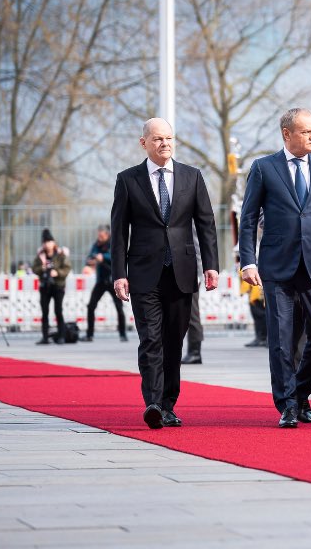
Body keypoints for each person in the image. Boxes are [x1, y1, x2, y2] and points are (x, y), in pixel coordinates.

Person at [239, 108, 311, 428]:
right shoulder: (264, 168)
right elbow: (248, 218)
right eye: (306, 132)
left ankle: (302, 393)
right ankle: (287, 404)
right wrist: (248, 261)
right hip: (276, 266)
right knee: (280, 338)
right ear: (287, 135)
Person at [111, 118, 220, 429]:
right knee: (150, 340)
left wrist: (211, 265)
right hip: (144, 274)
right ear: (143, 142)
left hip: (182, 273)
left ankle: (169, 403)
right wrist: (119, 273)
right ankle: (154, 403)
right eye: (158, 139)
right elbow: (119, 232)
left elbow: (206, 224)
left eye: (169, 138)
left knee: (174, 341)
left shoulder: (192, 176)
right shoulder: (128, 180)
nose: (165, 144)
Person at [84, 226, 126, 342]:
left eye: (101, 236)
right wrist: (92, 260)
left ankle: (123, 334)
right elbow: (89, 257)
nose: (99, 238)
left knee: (119, 308)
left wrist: (103, 257)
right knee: (91, 306)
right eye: (99, 236)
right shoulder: (96, 245)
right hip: (101, 281)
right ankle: (89, 334)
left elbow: (116, 256)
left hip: (113, 281)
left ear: (107, 235)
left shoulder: (113, 243)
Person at [34, 229, 71, 344]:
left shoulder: (60, 254)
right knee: (44, 312)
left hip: (58, 286)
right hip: (45, 286)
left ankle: (61, 336)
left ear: (54, 242)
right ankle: (45, 337)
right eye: (45, 242)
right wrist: (43, 268)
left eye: (49, 241)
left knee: (58, 311)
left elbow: (67, 268)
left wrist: (57, 272)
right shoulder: (41, 256)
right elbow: (34, 268)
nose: (47, 244)